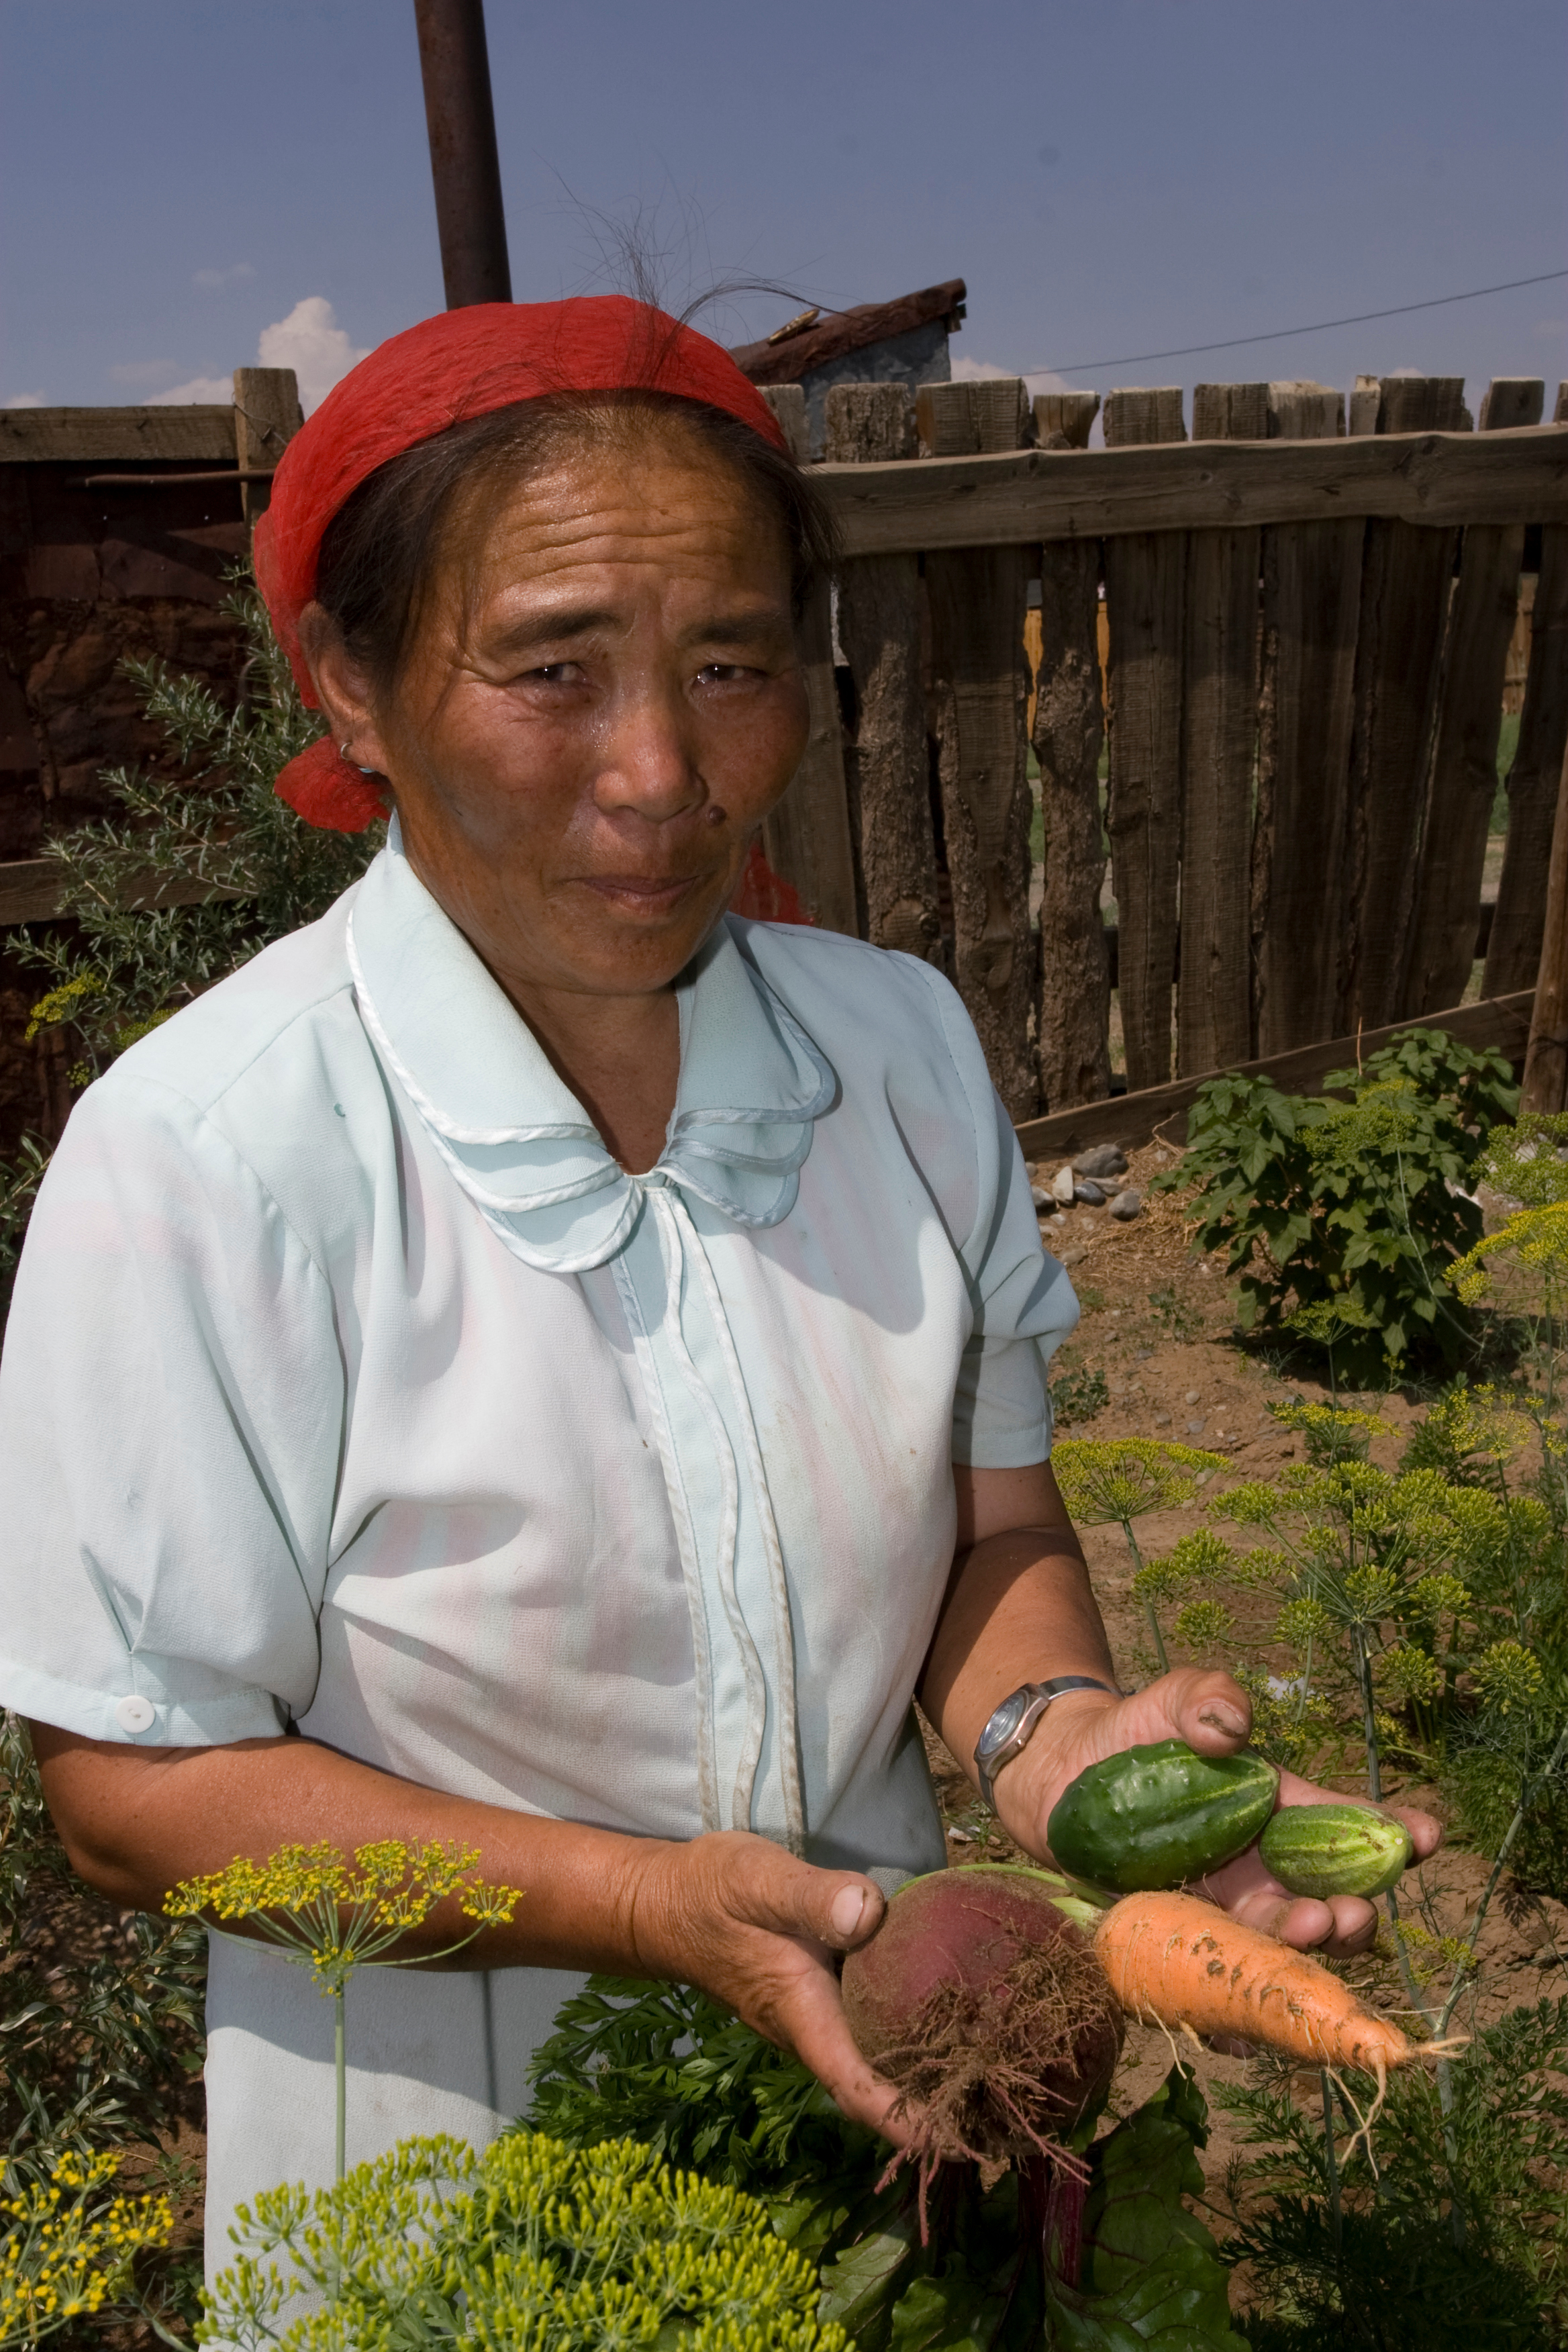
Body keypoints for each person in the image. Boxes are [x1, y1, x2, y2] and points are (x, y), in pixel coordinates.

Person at [0, 297, 1436, 2263]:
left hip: (905, 2129)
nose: (664, 769)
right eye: (552, 667)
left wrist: (1056, 1744)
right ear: (349, 684)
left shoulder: (900, 1054)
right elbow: (131, 1789)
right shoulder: (204, 1159)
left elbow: (987, 1531)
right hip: (449, 2206)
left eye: (731, 661)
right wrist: (641, 1904)